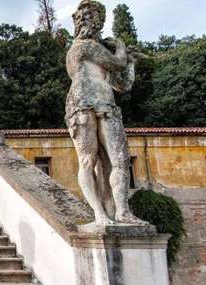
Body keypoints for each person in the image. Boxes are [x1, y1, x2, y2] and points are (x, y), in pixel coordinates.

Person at [65, 0, 144, 230]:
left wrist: (131, 63)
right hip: (81, 103)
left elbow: (123, 85)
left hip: (106, 103)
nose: (87, 22)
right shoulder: (81, 47)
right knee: (88, 161)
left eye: (93, 18)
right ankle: (100, 214)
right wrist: (121, 48)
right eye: (85, 17)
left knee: (118, 161)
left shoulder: (96, 52)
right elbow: (116, 63)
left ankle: (121, 211)